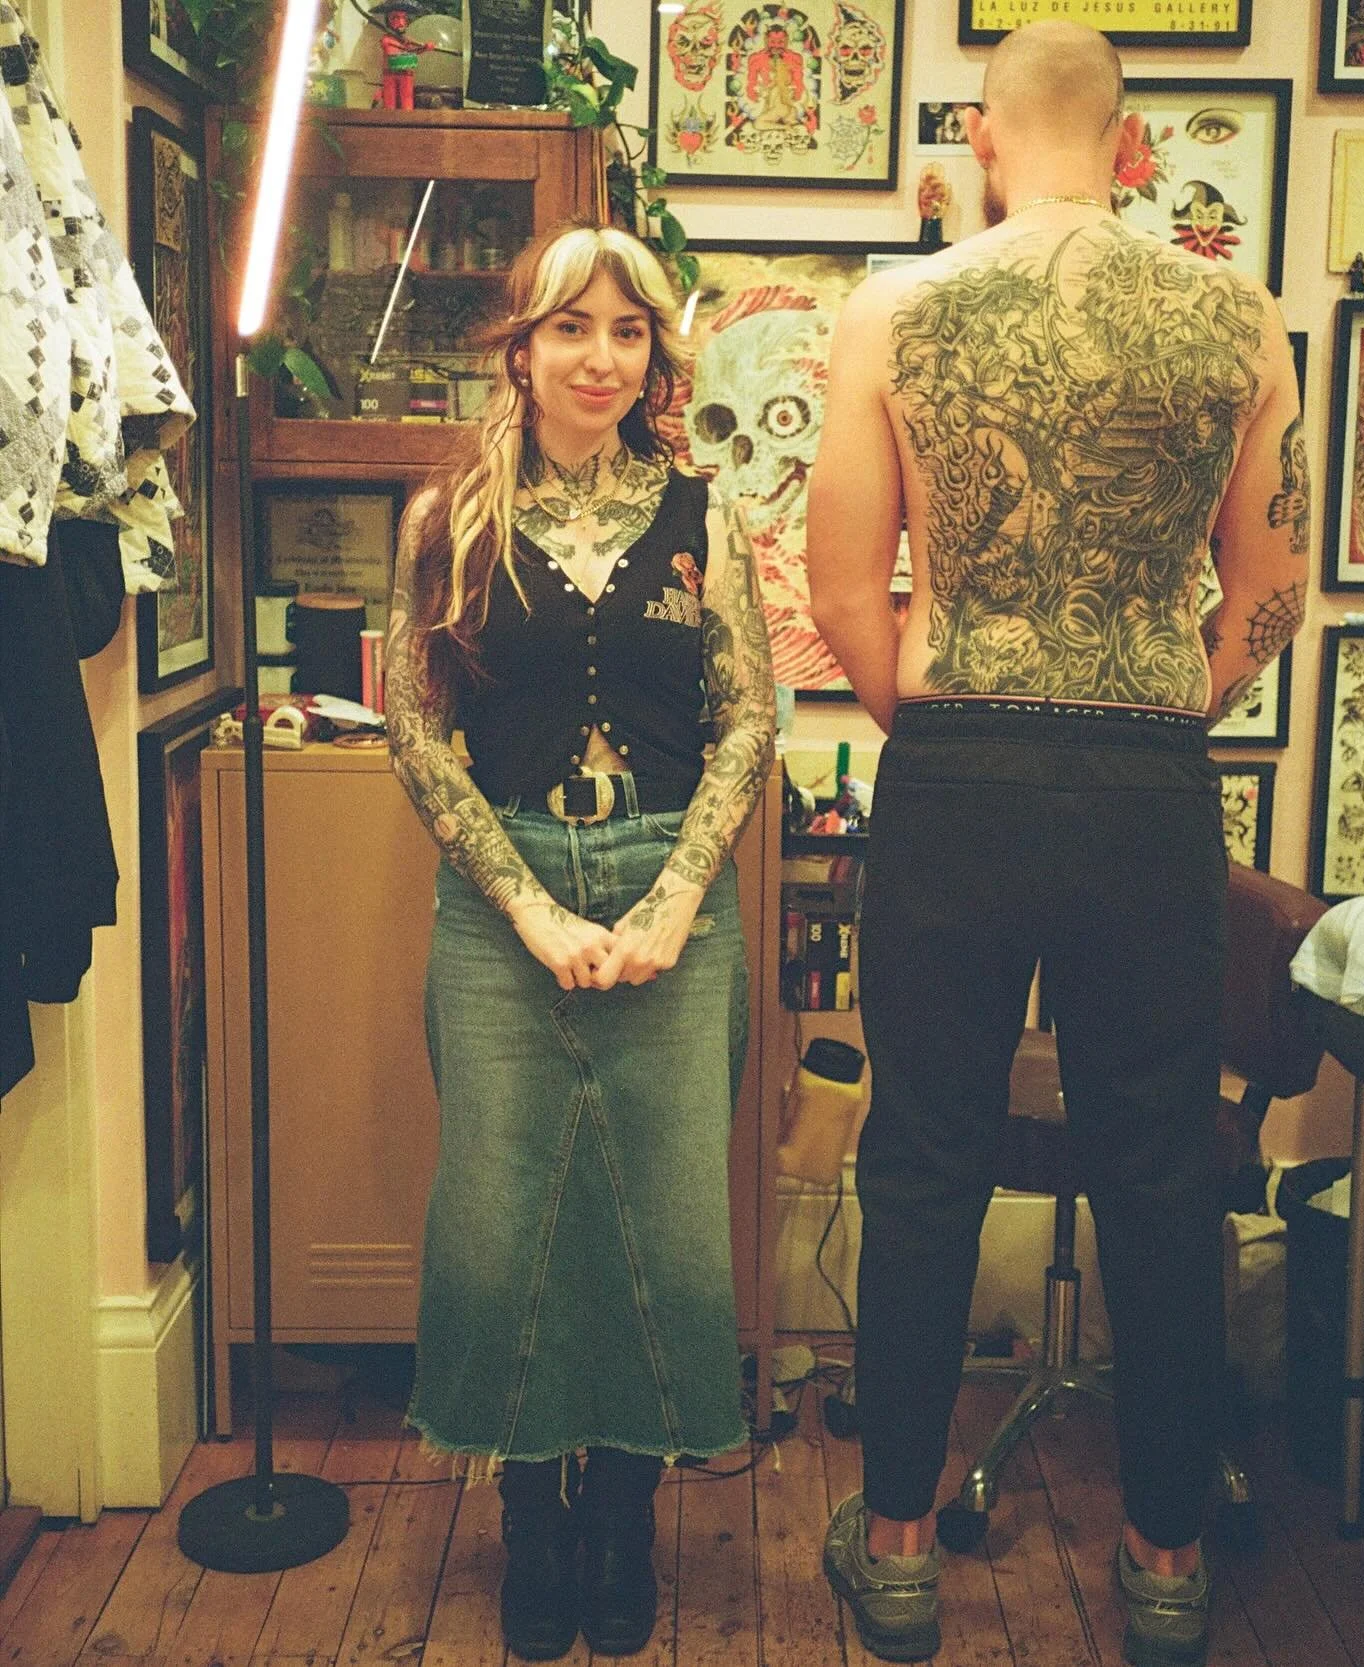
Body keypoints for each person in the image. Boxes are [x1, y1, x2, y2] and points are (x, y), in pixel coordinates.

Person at [806, 21, 1308, 1667]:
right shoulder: (1239, 322)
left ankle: (892, 1551)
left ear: (976, 131)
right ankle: (1164, 1564)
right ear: (1136, 142)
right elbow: (1267, 592)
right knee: (1162, 1169)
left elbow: (837, 588)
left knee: (924, 1153)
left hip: (958, 760)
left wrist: (938, 725)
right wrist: (1167, 706)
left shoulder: (897, 308)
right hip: (1151, 771)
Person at [386, 223, 775, 1661]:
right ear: (523, 346)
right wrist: (536, 907)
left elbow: (749, 713)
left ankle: (626, 1509)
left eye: (628, 332)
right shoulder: (450, 518)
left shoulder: (704, 514)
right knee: (501, 1227)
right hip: (506, 904)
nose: (600, 356)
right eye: (571, 328)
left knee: (658, 1226)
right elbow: (417, 731)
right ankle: (529, 1511)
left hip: (674, 887)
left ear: (656, 356)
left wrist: (673, 897)